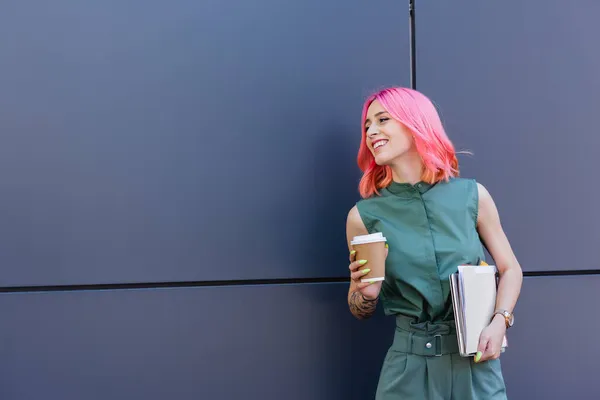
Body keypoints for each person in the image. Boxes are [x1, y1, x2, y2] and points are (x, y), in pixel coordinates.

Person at [346, 87, 523, 399]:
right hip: (408, 372)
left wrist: (500, 322)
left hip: (475, 363)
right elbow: (358, 307)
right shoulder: (363, 216)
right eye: (367, 126)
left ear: (415, 123)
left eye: (382, 119)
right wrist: (367, 295)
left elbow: (510, 269)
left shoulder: (472, 196)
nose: (371, 131)